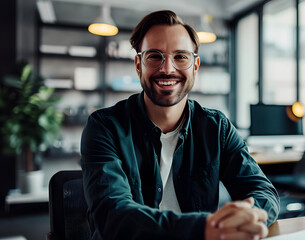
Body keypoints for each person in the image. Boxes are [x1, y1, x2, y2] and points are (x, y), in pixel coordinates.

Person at [81, 10, 280, 240]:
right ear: (138, 65)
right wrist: (204, 228)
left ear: (195, 66)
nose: (167, 68)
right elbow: (113, 215)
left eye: (181, 57)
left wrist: (246, 216)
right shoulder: (104, 127)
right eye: (154, 56)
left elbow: (263, 192)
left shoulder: (217, 128)